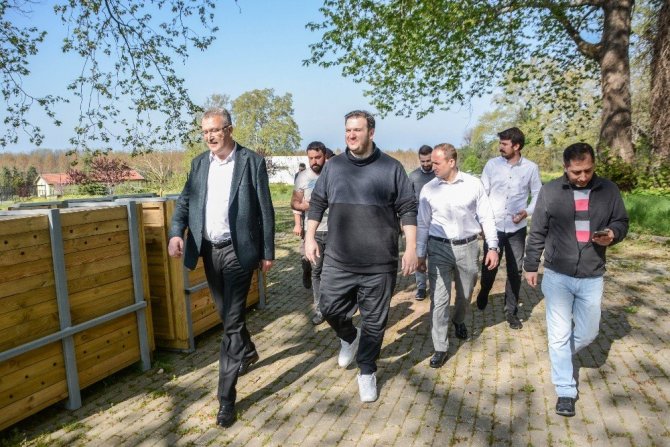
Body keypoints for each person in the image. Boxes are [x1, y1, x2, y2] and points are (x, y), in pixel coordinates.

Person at [168, 108, 275, 428]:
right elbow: (185, 201)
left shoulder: (251, 162)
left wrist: (267, 251)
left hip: (239, 251)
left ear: (229, 129)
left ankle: (226, 398)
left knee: (231, 324)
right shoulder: (199, 164)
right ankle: (248, 350)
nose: (209, 137)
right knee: (224, 312)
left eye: (214, 130)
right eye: (204, 132)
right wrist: (176, 232)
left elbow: (266, 208)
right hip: (208, 250)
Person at [305, 110, 417, 403]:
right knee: (328, 307)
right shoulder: (334, 167)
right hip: (338, 259)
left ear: (371, 132)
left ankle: (367, 370)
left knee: (375, 321)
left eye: (357, 130)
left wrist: (412, 248)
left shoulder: (392, 168)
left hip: (379, 263)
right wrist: (309, 237)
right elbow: (317, 202)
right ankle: (349, 336)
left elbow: (408, 208)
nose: (351, 135)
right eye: (347, 130)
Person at [524, 142, 628, 418]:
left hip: (592, 275)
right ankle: (565, 391)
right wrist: (531, 265)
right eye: (576, 172)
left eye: (588, 170)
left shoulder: (609, 190)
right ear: (565, 168)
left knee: (588, 333)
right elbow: (537, 231)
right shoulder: (550, 192)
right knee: (558, 336)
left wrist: (613, 234)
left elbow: (621, 221)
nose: (583, 177)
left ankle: (559, 355)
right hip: (557, 274)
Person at [417, 144, 499, 369]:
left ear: (451, 162)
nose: (432, 166)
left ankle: (459, 319)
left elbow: (487, 217)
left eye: (437, 163)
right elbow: (423, 223)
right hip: (438, 247)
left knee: (465, 293)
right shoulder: (429, 189)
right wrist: (420, 254)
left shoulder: (473, 185)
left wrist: (493, 247)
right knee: (439, 299)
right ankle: (440, 347)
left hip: (468, 247)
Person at [476, 127, 542, 330]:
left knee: (515, 270)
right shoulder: (492, 165)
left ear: (517, 146)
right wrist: (481, 223)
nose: (500, 147)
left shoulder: (531, 168)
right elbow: (482, 194)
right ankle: (484, 290)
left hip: (516, 228)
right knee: (489, 267)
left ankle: (511, 311)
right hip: (493, 227)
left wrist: (526, 212)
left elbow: (538, 194)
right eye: (500, 143)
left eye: (504, 144)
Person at [292, 141, 328, 325]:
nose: (314, 161)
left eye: (318, 157)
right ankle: (320, 310)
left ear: (325, 156)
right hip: (314, 232)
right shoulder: (302, 177)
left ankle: (337, 306)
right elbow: (294, 203)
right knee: (317, 271)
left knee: (335, 271)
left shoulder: (334, 173)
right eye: (311, 158)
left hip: (336, 231)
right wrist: (307, 206)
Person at [408, 145, 436, 301]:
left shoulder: (438, 174)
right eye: (423, 161)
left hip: (437, 223)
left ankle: (435, 285)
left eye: (428, 161)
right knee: (420, 254)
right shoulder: (413, 176)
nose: (426, 164)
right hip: (419, 223)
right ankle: (420, 287)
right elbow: (409, 202)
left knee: (435, 255)